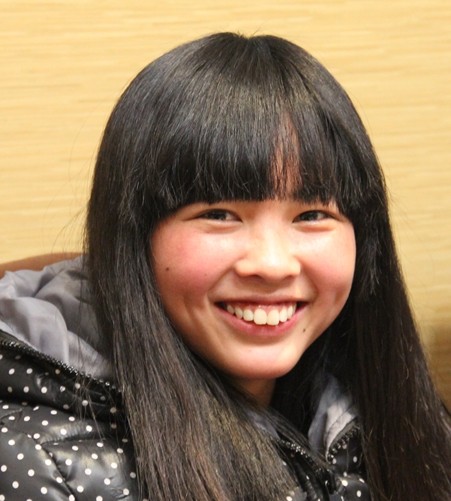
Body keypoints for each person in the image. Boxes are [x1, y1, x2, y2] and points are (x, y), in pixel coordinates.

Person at [0, 32, 449, 501]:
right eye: (219, 215)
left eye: (312, 215)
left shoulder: (377, 401)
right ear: (132, 238)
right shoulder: (33, 460)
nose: (272, 265)